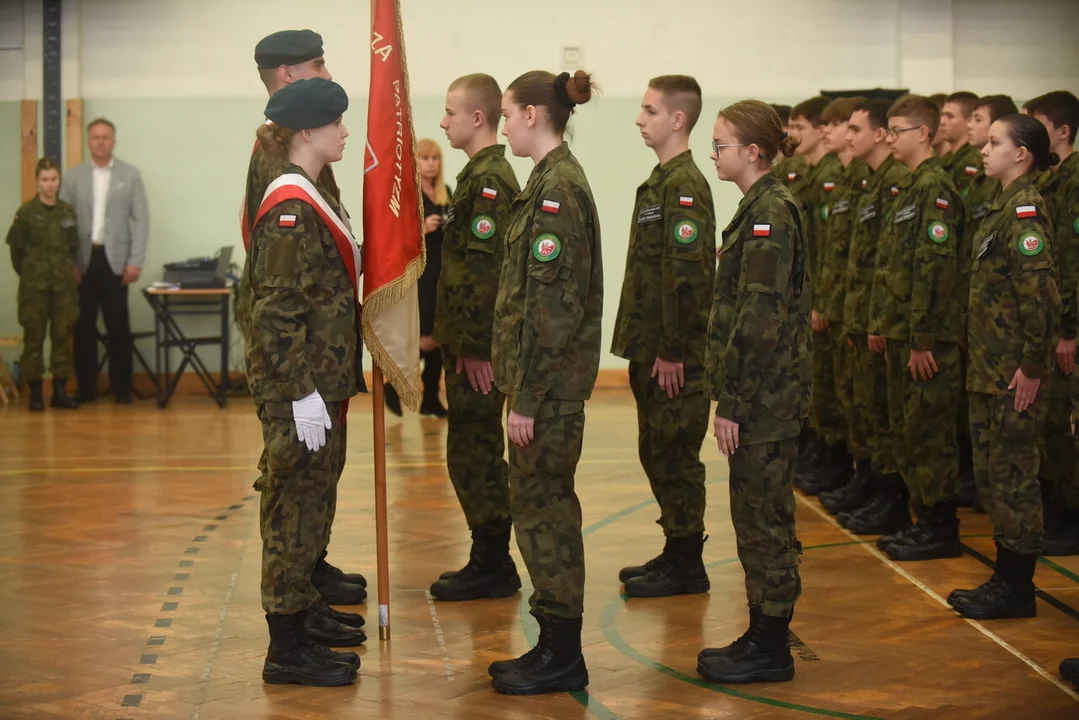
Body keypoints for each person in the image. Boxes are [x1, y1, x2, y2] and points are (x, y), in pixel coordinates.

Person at [241, 77, 366, 686]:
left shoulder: (315, 195)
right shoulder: (291, 208)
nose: (344, 131)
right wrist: (300, 392)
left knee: (312, 504)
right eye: (336, 122)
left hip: (321, 383)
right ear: (309, 131)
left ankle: (303, 611)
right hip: (299, 389)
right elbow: (275, 313)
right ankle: (286, 648)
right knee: (291, 509)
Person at [486, 69, 602, 696]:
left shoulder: (558, 190)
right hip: (543, 387)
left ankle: (561, 654)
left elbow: (553, 308)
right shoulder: (547, 182)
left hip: (548, 393)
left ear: (532, 115)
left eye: (507, 115)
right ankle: (555, 646)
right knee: (538, 511)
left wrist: (526, 399)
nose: (503, 126)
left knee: (545, 515)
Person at [695, 100, 808, 685]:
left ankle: (770, 644)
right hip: (761, 395)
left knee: (764, 521)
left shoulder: (771, 214)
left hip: (764, 399)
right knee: (755, 516)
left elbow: (760, 317)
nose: (714, 154)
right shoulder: (757, 208)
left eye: (721, 144)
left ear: (753, 151)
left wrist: (733, 402)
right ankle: (763, 631)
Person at [948, 114, 1060, 619]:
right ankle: (1005, 577)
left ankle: (1017, 587)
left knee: (1014, 476)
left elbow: (1041, 295)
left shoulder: (1024, 211)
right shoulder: (1001, 206)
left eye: (995, 142)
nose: (984, 150)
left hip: (1013, 373)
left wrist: (1033, 366)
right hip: (989, 369)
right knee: (994, 476)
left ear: (1021, 154)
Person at [612, 75, 715, 598]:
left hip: (674, 355)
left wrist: (674, 350)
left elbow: (688, 277)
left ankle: (687, 562)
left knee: (676, 454)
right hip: (651, 348)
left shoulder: (685, 186)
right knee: (657, 451)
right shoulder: (660, 182)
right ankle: (676, 548)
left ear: (678, 119)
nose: (639, 118)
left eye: (650, 110)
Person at [428, 73, 522, 601]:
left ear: (477, 118)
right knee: (469, 449)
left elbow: (489, 274)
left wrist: (477, 348)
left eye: (450, 112)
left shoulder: (489, 182)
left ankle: (493, 563)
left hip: (476, 349)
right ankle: (490, 558)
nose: (443, 122)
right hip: (465, 343)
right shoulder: (475, 177)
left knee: (476, 451)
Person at [869, 95, 967, 561]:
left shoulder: (935, 189)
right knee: (909, 431)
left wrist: (922, 339)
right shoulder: (910, 187)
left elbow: (934, 268)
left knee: (930, 433)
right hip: (905, 334)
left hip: (927, 340)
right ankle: (922, 519)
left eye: (897, 131)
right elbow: (895, 265)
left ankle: (941, 528)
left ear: (923, 134)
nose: (889, 139)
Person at [831, 99, 912, 529]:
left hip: (879, 317)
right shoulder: (868, 180)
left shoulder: (896, 182)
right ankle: (872, 483)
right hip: (861, 313)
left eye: (856, 130)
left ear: (879, 135)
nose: (848, 137)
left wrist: (880, 318)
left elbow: (891, 261)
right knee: (863, 404)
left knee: (882, 411)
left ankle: (891, 496)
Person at [59, 118, 148, 404]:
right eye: (95, 137)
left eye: (105, 137)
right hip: (83, 260)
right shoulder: (73, 177)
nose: (100, 141)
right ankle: (86, 388)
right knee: (83, 326)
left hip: (116, 261)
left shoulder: (130, 175)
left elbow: (142, 221)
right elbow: (63, 222)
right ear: (88, 141)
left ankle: (121, 388)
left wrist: (135, 261)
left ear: (114, 141)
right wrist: (69, 263)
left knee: (118, 325)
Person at [1025, 90, 1079, 556]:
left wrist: (1069, 330)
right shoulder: (1047, 180)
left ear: (1062, 131)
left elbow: (1072, 260)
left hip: (1067, 327)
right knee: (1051, 423)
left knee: (1067, 424)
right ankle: (1057, 508)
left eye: (1037, 123)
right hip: (1051, 322)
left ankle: (1071, 515)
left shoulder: (1075, 181)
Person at [815, 96, 870, 512]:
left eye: (849, 127)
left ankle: (874, 482)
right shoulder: (849, 178)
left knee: (866, 403)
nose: (835, 134)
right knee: (844, 395)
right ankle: (850, 470)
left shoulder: (870, 180)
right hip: (842, 307)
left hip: (862, 312)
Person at [789, 96, 844, 495]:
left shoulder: (834, 176)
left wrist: (821, 300)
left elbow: (831, 250)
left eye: (799, 128)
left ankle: (835, 460)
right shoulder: (810, 174)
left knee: (834, 389)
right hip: (812, 296)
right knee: (819, 385)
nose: (792, 136)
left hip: (832, 302)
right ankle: (820, 451)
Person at [5, 158, 80, 412]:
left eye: (54, 179)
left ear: (59, 181)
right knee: (33, 340)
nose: (50, 185)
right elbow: (16, 252)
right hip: (34, 290)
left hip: (63, 289)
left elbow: (73, 246)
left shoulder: (67, 212)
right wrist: (31, 274)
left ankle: (59, 392)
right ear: (37, 182)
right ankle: (36, 394)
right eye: (45, 179)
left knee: (62, 339)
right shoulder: (26, 213)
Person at [384, 139, 452, 417]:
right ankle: (393, 385)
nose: (431, 164)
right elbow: (396, 237)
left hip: (442, 272)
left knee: (439, 336)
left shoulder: (446, 193)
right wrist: (422, 229)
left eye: (435, 158)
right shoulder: (410, 195)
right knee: (424, 337)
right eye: (425, 158)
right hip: (420, 274)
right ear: (416, 161)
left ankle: (431, 398)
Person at [939, 91, 982, 195]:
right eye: (943, 115)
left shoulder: (973, 160)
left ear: (969, 121)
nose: (942, 122)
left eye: (950, 116)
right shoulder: (948, 157)